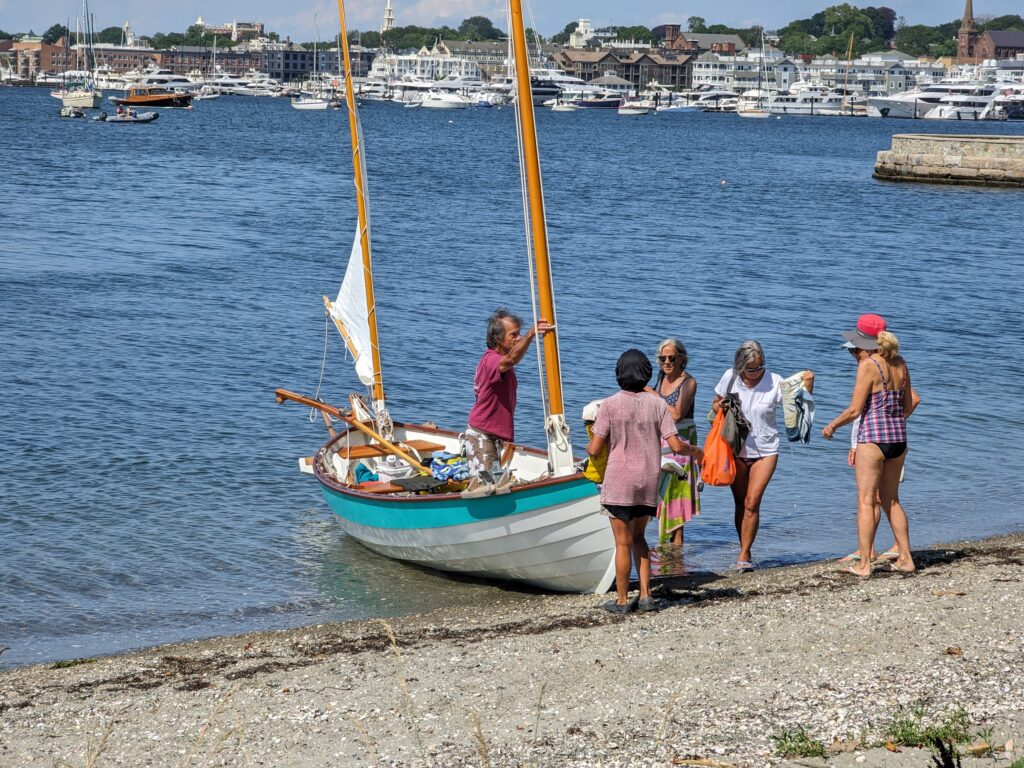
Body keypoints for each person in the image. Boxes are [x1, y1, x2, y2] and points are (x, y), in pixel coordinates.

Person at [587, 349, 703, 613]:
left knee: (622, 543)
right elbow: (674, 444)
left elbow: (594, 449)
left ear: (619, 374)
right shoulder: (658, 404)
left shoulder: (610, 404)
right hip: (648, 481)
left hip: (619, 482)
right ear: (647, 374)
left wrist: (592, 446)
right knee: (640, 538)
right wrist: (696, 451)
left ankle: (621, 600)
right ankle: (647, 595)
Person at [823, 316, 918, 578]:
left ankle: (864, 565)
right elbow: (909, 404)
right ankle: (906, 558)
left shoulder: (868, 365)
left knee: (866, 501)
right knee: (892, 500)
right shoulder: (901, 363)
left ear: (866, 344)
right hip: (899, 439)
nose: (854, 351)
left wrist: (832, 426)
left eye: (856, 346)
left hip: (873, 440)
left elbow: (855, 410)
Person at [711, 341, 813, 572]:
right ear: (740, 367)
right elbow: (715, 404)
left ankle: (744, 555)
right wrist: (723, 407)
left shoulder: (775, 381)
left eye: (759, 367)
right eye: (751, 369)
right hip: (735, 448)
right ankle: (744, 546)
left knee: (752, 502)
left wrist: (808, 386)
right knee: (739, 503)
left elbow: (798, 406)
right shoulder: (730, 377)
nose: (756, 373)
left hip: (766, 450)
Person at [465, 308, 551, 477]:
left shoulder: (498, 362)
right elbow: (512, 359)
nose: (517, 338)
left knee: (494, 481)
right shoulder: (492, 361)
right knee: (485, 485)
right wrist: (530, 334)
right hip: (482, 434)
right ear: (498, 338)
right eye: (513, 335)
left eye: (518, 334)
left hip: (493, 434)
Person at [646, 338, 700, 547]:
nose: (666, 362)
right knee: (660, 494)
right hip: (661, 441)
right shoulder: (660, 378)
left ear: (681, 359)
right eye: (662, 358)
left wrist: (652, 394)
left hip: (681, 441)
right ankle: (665, 549)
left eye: (671, 358)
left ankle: (675, 553)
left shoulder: (689, 382)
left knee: (676, 497)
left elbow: (677, 414)